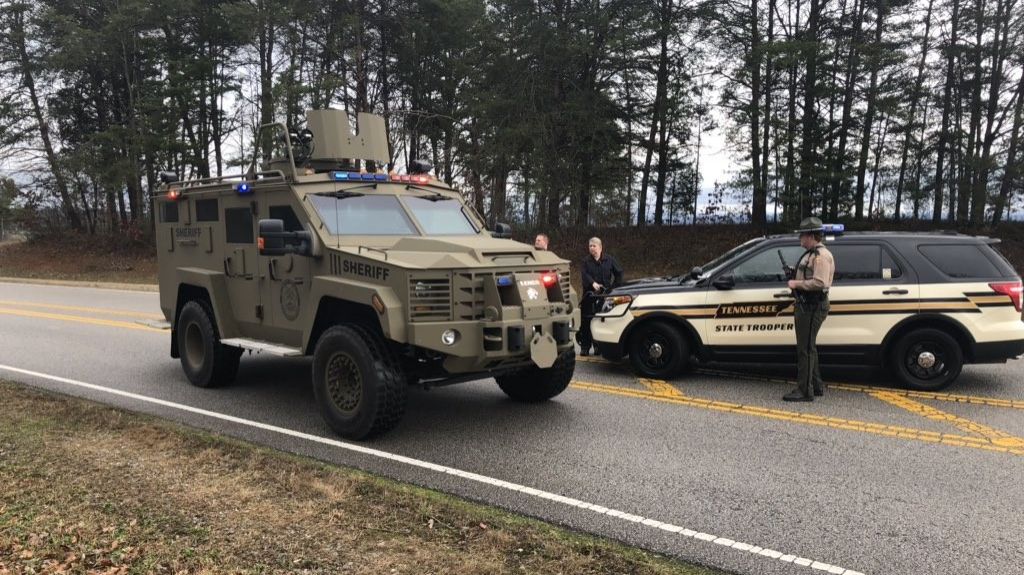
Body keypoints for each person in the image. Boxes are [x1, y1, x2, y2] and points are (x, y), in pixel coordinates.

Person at [783, 217, 835, 402]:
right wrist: (794, 272)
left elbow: (819, 283)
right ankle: (816, 385)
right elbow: (810, 274)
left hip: (813, 306)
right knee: (809, 347)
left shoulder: (821, 256)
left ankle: (804, 390)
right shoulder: (812, 254)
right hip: (809, 305)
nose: (800, 238)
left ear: (811, 235)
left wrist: (795, 282)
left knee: (804, 349)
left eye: (802, 235)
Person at [578, 237, 624, 356]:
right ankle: (585, 347)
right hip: (589, 296)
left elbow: (619, 273)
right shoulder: (585, 261)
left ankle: (598, 346)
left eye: (594, 246)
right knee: (586, 321)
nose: (592, 248)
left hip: (605, 297)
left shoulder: (609, 260)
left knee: (601, 321)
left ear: (600, 247)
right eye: (590, 246)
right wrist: (592, 283)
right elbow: (584, 275)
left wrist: (612, 288)